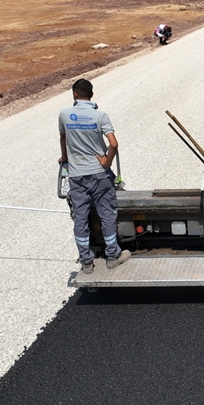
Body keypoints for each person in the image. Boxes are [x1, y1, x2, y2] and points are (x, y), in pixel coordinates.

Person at [59, 78, 130, 273]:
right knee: (107, 214)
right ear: (92, 95)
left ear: (75, 94)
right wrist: (107, 161)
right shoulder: (100, 116)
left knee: (80, 217)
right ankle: (113, 256)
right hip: (99, 174)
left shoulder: (64, 115)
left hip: (77, 176)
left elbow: (63, 138)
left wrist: (65, 158)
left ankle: (86, 261)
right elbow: (113, 144)